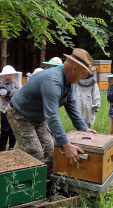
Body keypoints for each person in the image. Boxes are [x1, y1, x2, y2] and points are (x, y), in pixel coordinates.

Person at [6, 48, 97, 176]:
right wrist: (67, 145)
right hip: (19, 115)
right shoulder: (53, 81)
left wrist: (83, 128)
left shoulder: (68, 81)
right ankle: (33, 191)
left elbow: (70, 103)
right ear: (75, 68)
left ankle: (49, 186)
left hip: (38, 117)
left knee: (49, 152)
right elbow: (52, 115)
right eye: (83, 73)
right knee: (35, 154)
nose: (83, 77)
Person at [0, 65, 21, 152]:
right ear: (3, 76)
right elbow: (3, 93)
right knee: (5, 129)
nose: (8, 76)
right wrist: (15, 92)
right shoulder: (1, 84)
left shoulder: (16, 83)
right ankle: (2, 147)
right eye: (6, 75)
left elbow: (19, 92)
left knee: (13, 129)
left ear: (13, 75)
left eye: (10, 75)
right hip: (4, 110)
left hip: (14, 109)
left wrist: (10, 94)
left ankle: (12, 146)